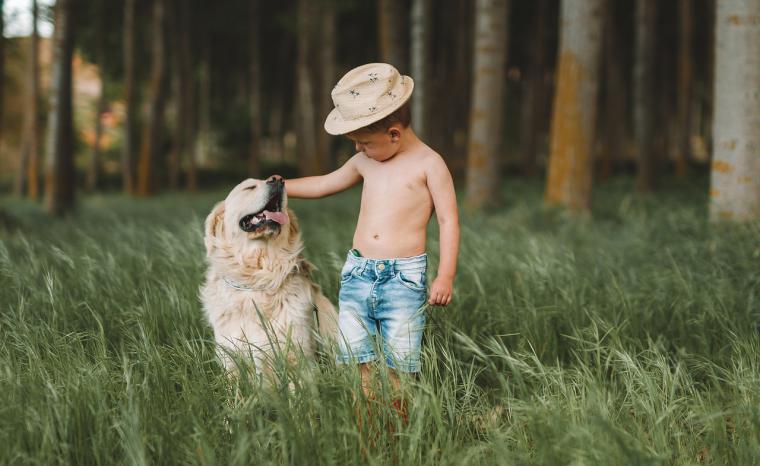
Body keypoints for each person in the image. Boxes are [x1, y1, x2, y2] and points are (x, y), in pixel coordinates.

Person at [271, 63, 459, 419]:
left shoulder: (429, 165)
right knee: (358, 359)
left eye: (364, 143)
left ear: (393, 134)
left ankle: (397, 432)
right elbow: (325, 183)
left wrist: (445, 275)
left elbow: (449, 221)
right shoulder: (366, 161)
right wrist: (282, 187)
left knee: (399, 363)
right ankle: (366, 429)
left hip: (403, 279)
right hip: (358, 274)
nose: (359, 149)